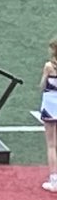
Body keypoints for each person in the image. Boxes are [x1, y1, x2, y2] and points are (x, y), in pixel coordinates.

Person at [40, 38, 57, 191]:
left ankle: (54, 180)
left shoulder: (49, 66)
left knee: (51, 145)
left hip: (50, 105)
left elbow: (42, 85)